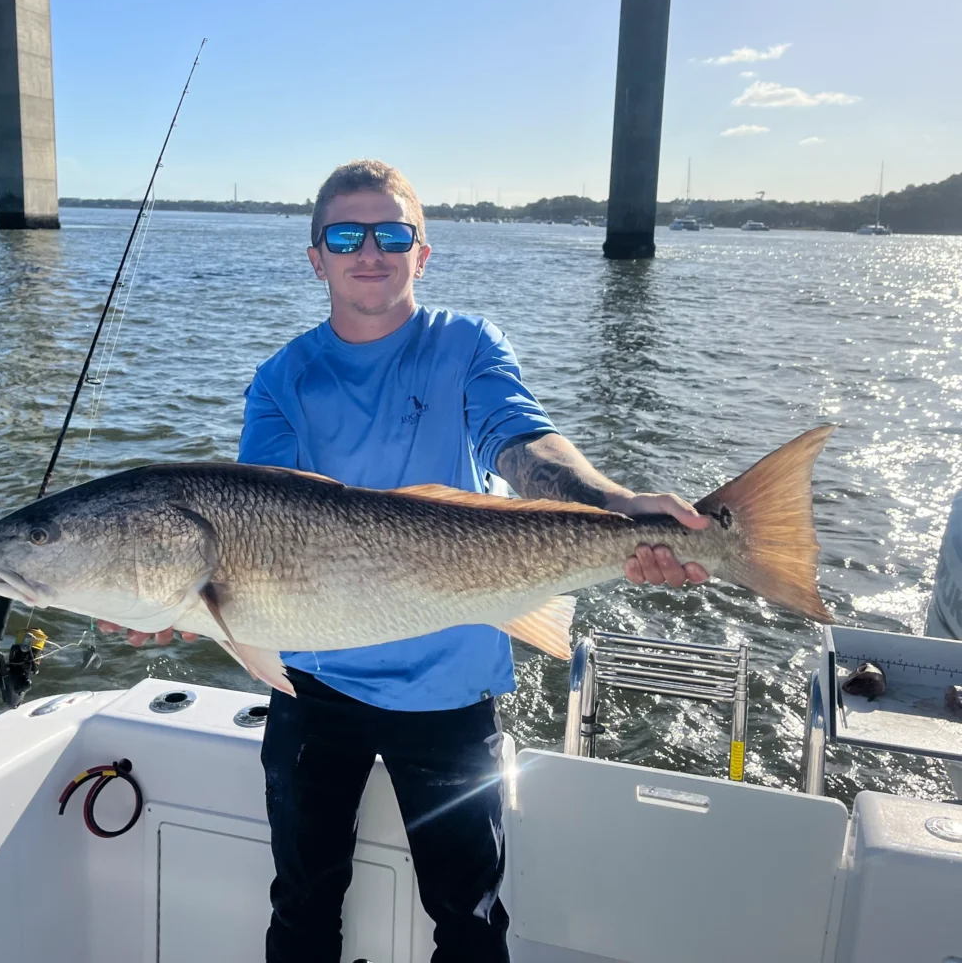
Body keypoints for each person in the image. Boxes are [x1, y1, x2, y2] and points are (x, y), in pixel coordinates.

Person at [102, 159, 710, 963]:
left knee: (467, 916)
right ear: (315, 256)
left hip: (450, 683)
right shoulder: (281, 379)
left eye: (393, 233)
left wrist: (610, 506)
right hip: (315, 685)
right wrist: (179, 604)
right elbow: (252, 522)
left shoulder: (465, 343)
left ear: (423, 253)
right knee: (303, 905)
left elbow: (517, 440)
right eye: (345, 234)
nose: (370, 250)